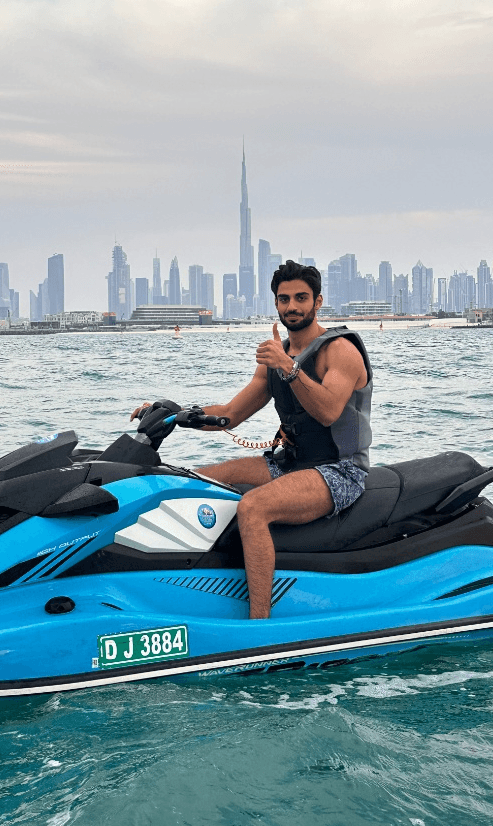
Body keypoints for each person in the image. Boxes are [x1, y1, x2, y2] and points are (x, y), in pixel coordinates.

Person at [132, 260, 372, 620]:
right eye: (283, 299)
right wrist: (174, 413)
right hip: (291, 463)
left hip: (339, 472)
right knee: (195, 481)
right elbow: (230, 414)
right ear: (275, 303)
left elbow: (328, 413)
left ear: (318, 302)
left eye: (301, 298)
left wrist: (287, 368)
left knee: (253, 507)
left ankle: (259, 622)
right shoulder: (274, 355)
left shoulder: (340, 352)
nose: (291, 307)